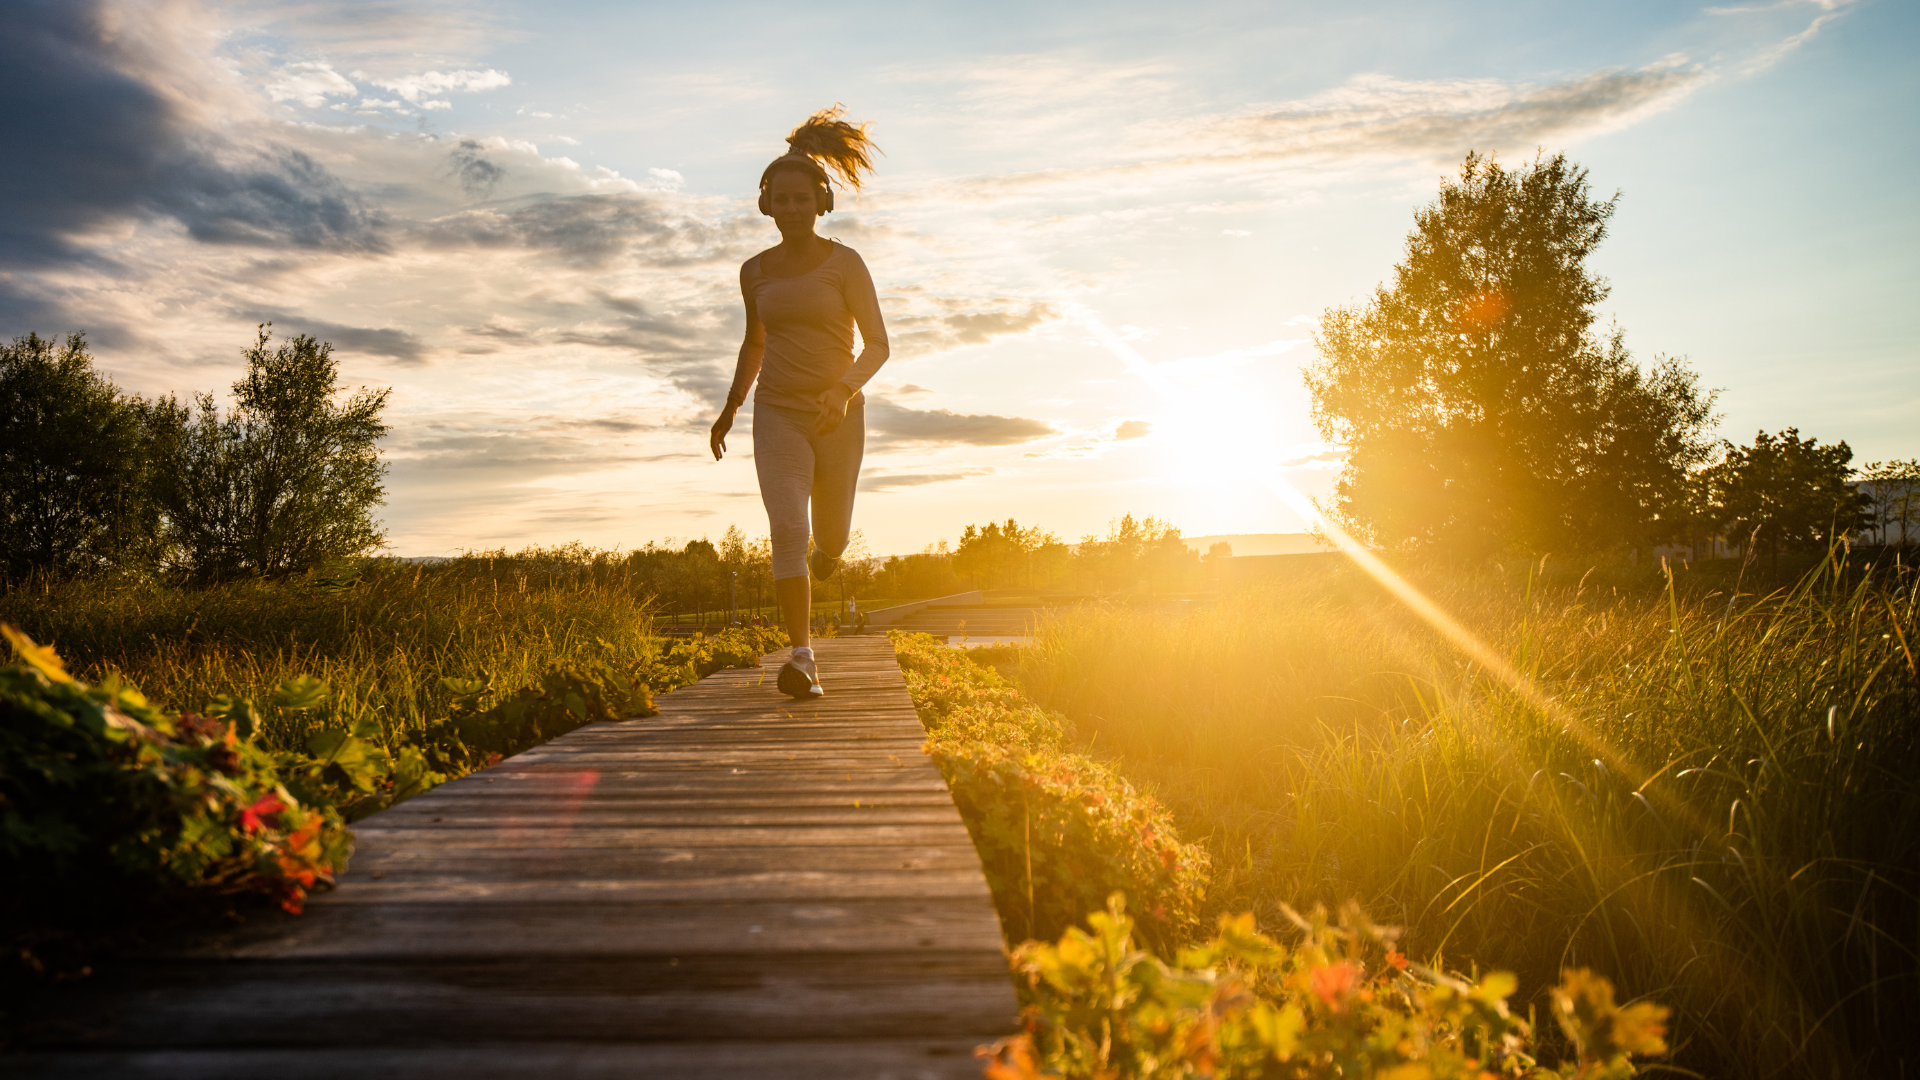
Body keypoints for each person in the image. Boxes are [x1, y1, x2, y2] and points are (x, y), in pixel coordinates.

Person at [709, 107, 888, 700]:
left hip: (839, 415)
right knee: (787, 526)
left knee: (829, 537)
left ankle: (828, 557)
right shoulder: (754, 272)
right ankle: (803, 658)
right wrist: (732, 406)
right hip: (778, 413)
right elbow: (754, 343)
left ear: (821, 203)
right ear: (766, 205)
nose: (789, 210)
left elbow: (878, 345)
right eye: (779, 200)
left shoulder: (846, 264)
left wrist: (841, 391)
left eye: (800, 200)